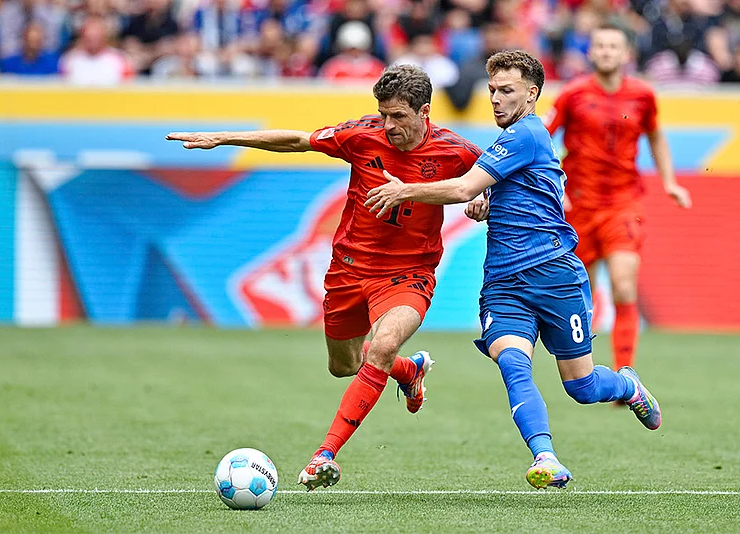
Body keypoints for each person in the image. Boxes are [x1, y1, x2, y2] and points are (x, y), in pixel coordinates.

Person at [166, 64, 483, 491]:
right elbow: (298, 140)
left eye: (399, 117)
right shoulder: (360, 135)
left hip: (409, 274)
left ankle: (324, 455)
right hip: (349, 271)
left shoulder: (458, 151)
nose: (388, 125)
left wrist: (483, 200)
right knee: (345, 366)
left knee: (383, 345)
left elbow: (495, 183)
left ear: (424, 111)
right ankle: (409, 371)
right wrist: (223, 137)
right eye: (383, 114)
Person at [365, 50, 661, 489]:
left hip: (556, 274)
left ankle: (627, 387)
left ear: (532, 93)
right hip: (504, 283)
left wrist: (407, 190)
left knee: (580, 387)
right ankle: (546, 457)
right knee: (513, 364)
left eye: (507, 90)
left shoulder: (526, 134)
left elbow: (465, 185)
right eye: (492, 91)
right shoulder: (511, 142)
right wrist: (492, 203)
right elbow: (510, 190)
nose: (496, 99)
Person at [543, 23, 692, 374]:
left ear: (627, 54)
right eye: (600, 45)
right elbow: (541, 136)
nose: (607, 52)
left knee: (625, 285)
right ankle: (586, 372)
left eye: (614, 46)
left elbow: (656, 136)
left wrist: (670, 182)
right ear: (590, 52)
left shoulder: (643, 95)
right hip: (579, 204)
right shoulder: (573, 94)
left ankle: (626, 373)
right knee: (582, 293)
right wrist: (552, 185)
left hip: (624, 203)